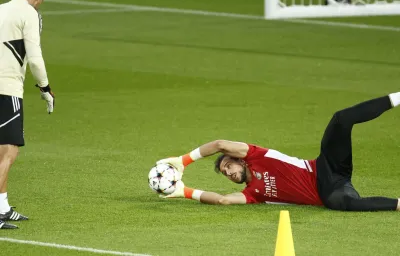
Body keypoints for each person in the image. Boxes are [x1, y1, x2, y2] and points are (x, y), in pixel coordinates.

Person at [157, 93, 400, 211]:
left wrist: (183, 160)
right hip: (328, 193)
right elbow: (223, 200)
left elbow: (220, 144)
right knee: (345, 203)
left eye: (227, 166)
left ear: (238, 159)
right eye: (224, 173)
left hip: (325, 166)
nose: (228, 173)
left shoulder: (255, 155)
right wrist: (184, 191)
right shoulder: (254, 193)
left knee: (340, 119)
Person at [0, 0, 55, 229]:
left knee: (5, 151)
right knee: (8, 152)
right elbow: (35, 58)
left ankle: (3, 207)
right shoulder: (30, 14)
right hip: (7, 89)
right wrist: (45, 88)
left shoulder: (1, 10)